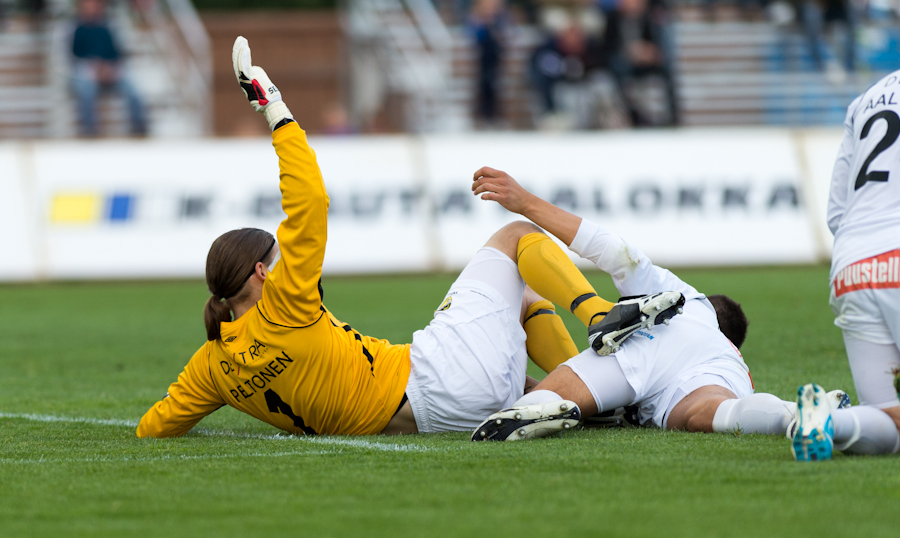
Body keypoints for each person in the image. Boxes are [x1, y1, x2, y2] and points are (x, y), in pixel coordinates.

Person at [136, 37, 673, 439]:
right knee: (514, 237)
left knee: (521, 304)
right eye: (272, 261)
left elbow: (155, 426)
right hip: (438, 376)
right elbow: (309, 202)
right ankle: (599, 315)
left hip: (438, 418)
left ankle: (571, 395)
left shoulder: (212, 366)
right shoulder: (285, 303)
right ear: (259, 273)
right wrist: (274, 107)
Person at [467, 167, 827, 443]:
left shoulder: (690, 299)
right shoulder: (732, 360)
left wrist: (526, 202)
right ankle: (792, 414)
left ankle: (538, 404)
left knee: (555, 394)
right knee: (715, 411)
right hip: (711, 372)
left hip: (654, 339)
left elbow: (616, 253)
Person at [789, 69, 900, 460]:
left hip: (853, 263)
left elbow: (837, 213)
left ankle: (828, 421)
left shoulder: (867, 99)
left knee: (888, 417)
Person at [71, 0, 147, 137]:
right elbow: (74, 54)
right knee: (86, 90)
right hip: (88, 70)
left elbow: (116, 53)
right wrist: (94, 66)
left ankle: (139, 128)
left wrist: (109, 67)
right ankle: (89, 131)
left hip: (110, 69)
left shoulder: (108, 28)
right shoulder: (77, 29)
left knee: (133, 90)